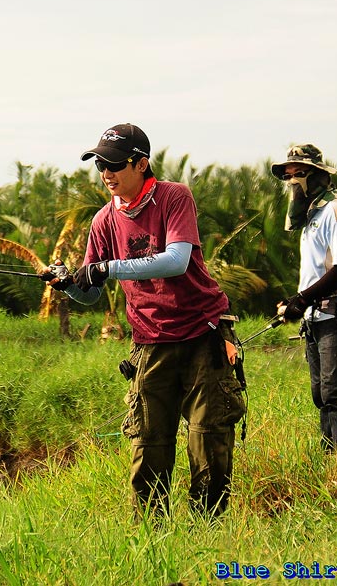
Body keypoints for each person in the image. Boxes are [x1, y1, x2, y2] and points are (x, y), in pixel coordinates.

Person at [46, 123, 245, 518]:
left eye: (115, 164)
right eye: (100, 164)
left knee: (208, 441)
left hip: (203, 332)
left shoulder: (174, 197)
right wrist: (68, 283)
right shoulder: (103, 220)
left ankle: (208, 530)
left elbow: (177, 260)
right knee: (148, 444)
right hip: (150, 342)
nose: (106, 173)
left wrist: (108, 268)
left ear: (141, 163)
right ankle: (152, 537)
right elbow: (91, 290)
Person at [272, 144, 337, 453]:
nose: (292, 181)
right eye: (287, 176)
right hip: (316, 316)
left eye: (298, 174)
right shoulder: (312, 215)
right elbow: (315, 272)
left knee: (335, 392)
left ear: (317, 175)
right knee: (321, 393)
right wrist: (296, 302)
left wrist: (302, 298)